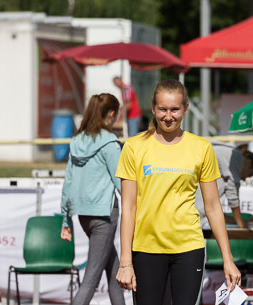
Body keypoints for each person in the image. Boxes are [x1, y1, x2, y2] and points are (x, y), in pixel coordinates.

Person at [115, 79, 241, 305]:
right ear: (153, 108)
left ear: (185, 109)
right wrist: (126, 261)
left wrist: (227, 259)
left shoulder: (201, 148)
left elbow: (213, 207)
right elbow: (129, 208)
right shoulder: (134, 147)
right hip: (145, 249)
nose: (168, 116)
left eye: (175, 109)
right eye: (162, 109)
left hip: (188, 248)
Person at [60, 93, 125, 305]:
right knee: (91, 280)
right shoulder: (110, 143)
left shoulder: (76, 141)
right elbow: (120, 181)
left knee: (114, 273)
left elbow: (68, 182)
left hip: (83, 216)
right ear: (112, 114)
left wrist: (65, 218)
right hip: (104, 216)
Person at [195, 142, 245, 228]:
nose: (244, 179)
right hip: (199, 217)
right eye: (250, 174)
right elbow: (233, 196)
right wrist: (241, 226)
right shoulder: (234, 156)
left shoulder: (218, 152)